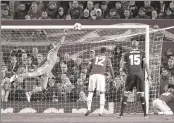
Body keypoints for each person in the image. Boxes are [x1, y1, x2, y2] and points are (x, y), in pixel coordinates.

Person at [10, 29, 67, 102]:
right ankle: (17, 76)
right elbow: (60, 42)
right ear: (52, 47)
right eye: (53, 44)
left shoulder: (49, 53)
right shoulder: (54, 50)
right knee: (34, 74)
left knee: (44, 87)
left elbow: (42, 61)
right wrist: (64, 35)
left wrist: (38, 67)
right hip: (46, 68)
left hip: (47, 70)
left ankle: (29, 93)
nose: (55, 44)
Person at [118, 40, 151, 119]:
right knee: (142, 94)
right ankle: (145, 115)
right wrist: (149, 76)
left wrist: (124, 73)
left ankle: (121, 114)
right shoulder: (142, 53)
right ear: (138, 45)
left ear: (131, 46)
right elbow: (146, 64)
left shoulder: (126, 54)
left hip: (130, 75)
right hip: (140, 75)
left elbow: (122, 67)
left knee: (126, 93)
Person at [85, 47, 114, 116]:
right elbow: (111, 69)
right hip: (101, 76)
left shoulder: (93, 58)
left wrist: (87, 76)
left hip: (92, 75)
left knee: (90, 92)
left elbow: (88, 68)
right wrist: (113, 77)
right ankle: (100, 111)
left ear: (99, 51)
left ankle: (89, 108)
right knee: (102, 93)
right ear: (106, 52)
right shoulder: (107, 59)